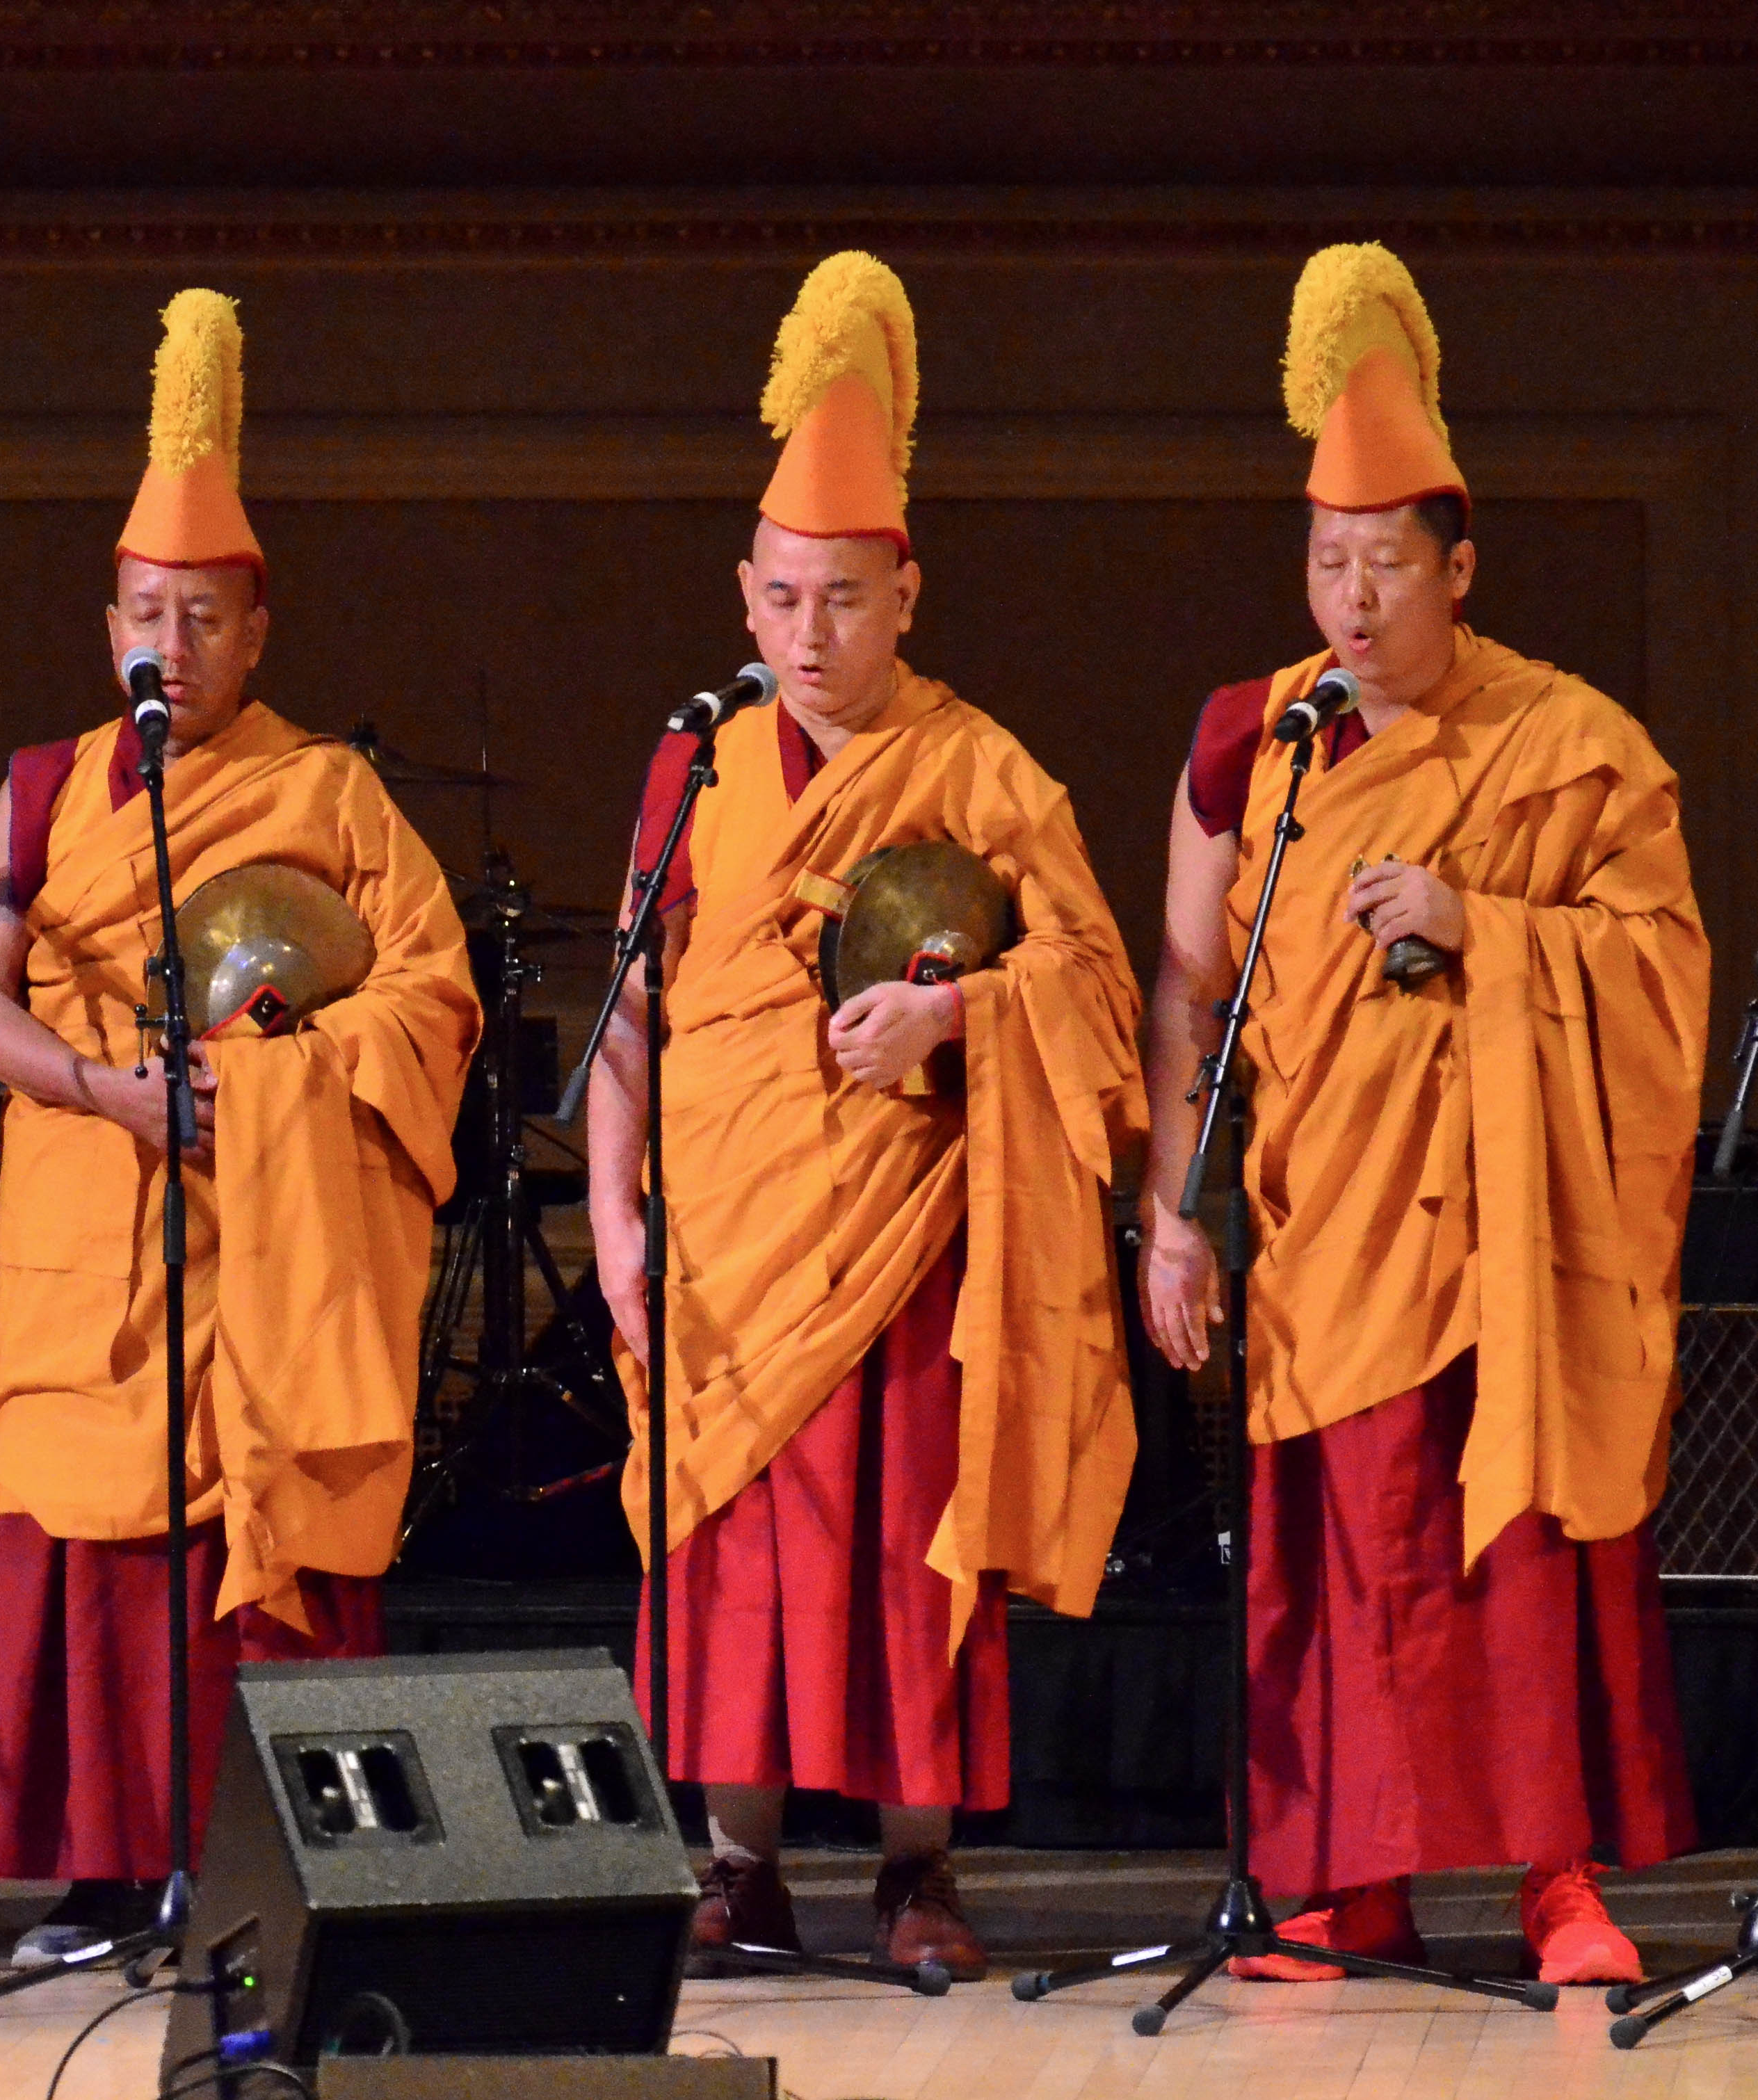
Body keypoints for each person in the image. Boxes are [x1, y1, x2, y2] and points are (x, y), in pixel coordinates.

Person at [1139, 243, 1702, 1988]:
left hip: (1510, 1230)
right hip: (1326, 1228)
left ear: (1461, 569)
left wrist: (1485, 931)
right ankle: (1351, 1888)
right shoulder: (1261, 745)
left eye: (1388, 564)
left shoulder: (1570, 745)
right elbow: (1184, 987)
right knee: (1352, 1564)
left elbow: (1663, 968)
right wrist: (1175, 1207)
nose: (1354, 598)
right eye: (1327, 561)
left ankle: (1556, 1884)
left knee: (1517, 1556)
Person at [586, 254, 1146, 1981]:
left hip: (907, 1233)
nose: (808, 636)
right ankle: (735, 1862)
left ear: (907, 591)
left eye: (843, 598)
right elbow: (624, 1015)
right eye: (780, 600)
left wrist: (955, 1012)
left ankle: (916, 1875)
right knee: (739, 1547)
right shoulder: (693, 769)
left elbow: (1101, 998)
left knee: (906, 1543)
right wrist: (614, 1220)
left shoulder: (986, 770)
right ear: (741, 598)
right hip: (731, 1231)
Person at [0, 289, 481, 1966]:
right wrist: (107, 1089)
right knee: (84, 1540)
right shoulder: (40, 788)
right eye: (144, 614)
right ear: (107, 619)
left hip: (258, 1222)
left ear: (257, 631)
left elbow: (432, 999)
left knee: (237, 1537)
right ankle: (100, 1877)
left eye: (203, 618)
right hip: (88, 1208)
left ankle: (256, 1865)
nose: (167, 645)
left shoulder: (329, 795)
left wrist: (268, 1084)